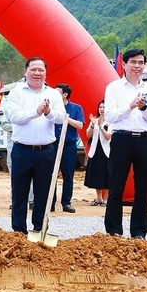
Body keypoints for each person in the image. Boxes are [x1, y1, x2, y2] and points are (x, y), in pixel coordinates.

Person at [3, 57, 66, 234]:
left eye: (41, 70)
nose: (37, 73)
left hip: (46, 151)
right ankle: (18, 231)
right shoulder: (16, 93)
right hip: (22, 150)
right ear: (26, 72)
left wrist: (48, 113)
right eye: (33, 69)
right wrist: (36, 112)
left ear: (46, 73)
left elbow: (61, 117)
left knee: (43, 193)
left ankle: (40, 229)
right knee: (19, 193)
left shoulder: (53, 94)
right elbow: (15, 117)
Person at [103, 48, 147, 240]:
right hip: (121, 138)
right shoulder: (114, 88)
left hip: (144, 139)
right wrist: (130, 106)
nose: (137, 66)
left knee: (142, 188)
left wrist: (143, 108)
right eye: (133, 62)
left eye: (141, 62)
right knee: (116, 184)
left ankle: (139, 231)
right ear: (124, 64)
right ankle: (113, 230)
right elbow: (110, 116)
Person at [51, 83, 84, 213]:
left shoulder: (76, 108)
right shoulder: (52, 108)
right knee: (50, 174)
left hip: (69, 146)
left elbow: (80, 125)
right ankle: (51, 203)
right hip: (52, 145)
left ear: (65, 94)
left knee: (68, 175)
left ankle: (66, 203)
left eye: (58, 92)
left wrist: (66, 118)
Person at [84, 100, 112, 206]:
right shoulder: (94, 120)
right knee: (96, 174)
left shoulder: (111, 122)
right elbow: (88, 135)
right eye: (100, 107)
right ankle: (98, 197)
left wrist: (100, 127)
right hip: (95, 150)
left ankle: (106, 198)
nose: (102, 109)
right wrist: (92, 125)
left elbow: (108, 136)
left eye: (104, 107)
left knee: (107, 174)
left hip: (107, 151)